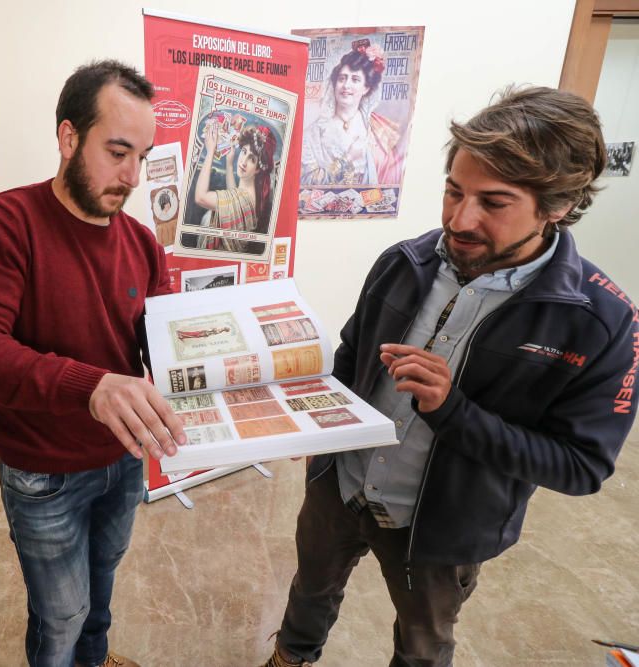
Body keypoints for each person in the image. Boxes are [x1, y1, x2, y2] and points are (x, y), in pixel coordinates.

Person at [262, 86, 638, 667]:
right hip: (340, 487)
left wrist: (453, 411)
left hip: (442, 530)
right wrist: (316, 432)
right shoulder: (403, 262)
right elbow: (350, 356)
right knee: (310, 589)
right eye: (453, 191)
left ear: (558, 205)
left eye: (494, 202)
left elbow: (581, 466)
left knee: (422, 642)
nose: (460, 220)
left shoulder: (602, 323)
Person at [0, 60, 186, 667]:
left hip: (122, 460)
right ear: (68, 137)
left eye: (142, 156)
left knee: (101, 593)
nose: (131, 176)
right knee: (60, 616)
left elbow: (158, 344)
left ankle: (96, 659)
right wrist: (91, 386)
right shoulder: (8, 224)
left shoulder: (140, 243)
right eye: (117, 152)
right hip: (44, 472)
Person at [302, 42, 401, 187]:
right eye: (342, 78)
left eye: (355, 80)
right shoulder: (313, 133)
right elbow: (307, 184)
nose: (346, 85)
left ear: (366, 88)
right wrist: (347, 158)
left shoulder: (377, 130)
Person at [192, 119, 276, 253]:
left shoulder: (242, 199)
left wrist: (210, 152)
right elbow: (234, 196)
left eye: (252, 159)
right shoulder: (250, 193)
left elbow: (200, 198)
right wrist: (229, 165)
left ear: (258, 169)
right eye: (244, 152)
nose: (243, 161)